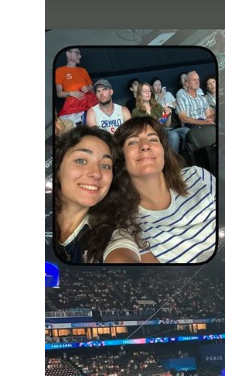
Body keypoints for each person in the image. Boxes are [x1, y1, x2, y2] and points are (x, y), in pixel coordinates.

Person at [102, 117, 216, 264]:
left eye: (153, 139)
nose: (145, 146)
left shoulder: (197, 176)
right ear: (120, 159)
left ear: (164, 150)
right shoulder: (127, 226)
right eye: (132, 142)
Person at [54, 126, 143, 264]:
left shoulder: (114, 236)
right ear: (58, 169)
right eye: (81, 161)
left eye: (105, 165)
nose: (96, 173)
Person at [176, 71, 216, 174]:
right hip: (192, 127)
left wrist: (210, 119)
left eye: (198, 79)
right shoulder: (182, 97)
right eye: (194, 80)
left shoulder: (202, 99)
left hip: (206, 125)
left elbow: (208, 115)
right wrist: (203, 123)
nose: (197, 82)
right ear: (187, 83)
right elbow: (183, 118)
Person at [55, 47, 98, 121]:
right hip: (73, 104)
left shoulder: (83, 70)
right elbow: (59, 93)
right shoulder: (60, 70)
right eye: (77, 53)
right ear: (68, 54)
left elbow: (93, 90)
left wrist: (88, 89)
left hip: (90, 101)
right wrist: (71, 93)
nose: (80, 56)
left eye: (80, 54)